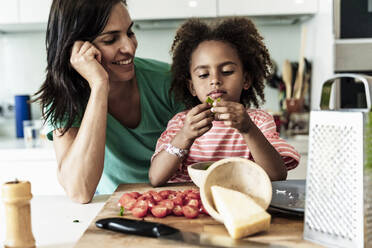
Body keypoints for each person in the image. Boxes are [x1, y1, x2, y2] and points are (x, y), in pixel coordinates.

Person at [33, 0, 184, 203]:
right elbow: (79, 191)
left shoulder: (168, 81)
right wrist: (99, 84)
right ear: (77, 48)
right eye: (111, 39)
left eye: (129, 32)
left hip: (176, 202)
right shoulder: (62, 96)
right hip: (113, 207)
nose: (129, 47)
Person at [149, 18, 300, 186]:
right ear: (192, 87)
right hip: (192, 206)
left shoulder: (258, 121)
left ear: (246, 79)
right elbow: (156, 178)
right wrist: (184, 136)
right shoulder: (181, 123)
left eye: (227, 71)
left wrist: (249, 129)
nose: (215, 80)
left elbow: (277, 175)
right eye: (203, 75)